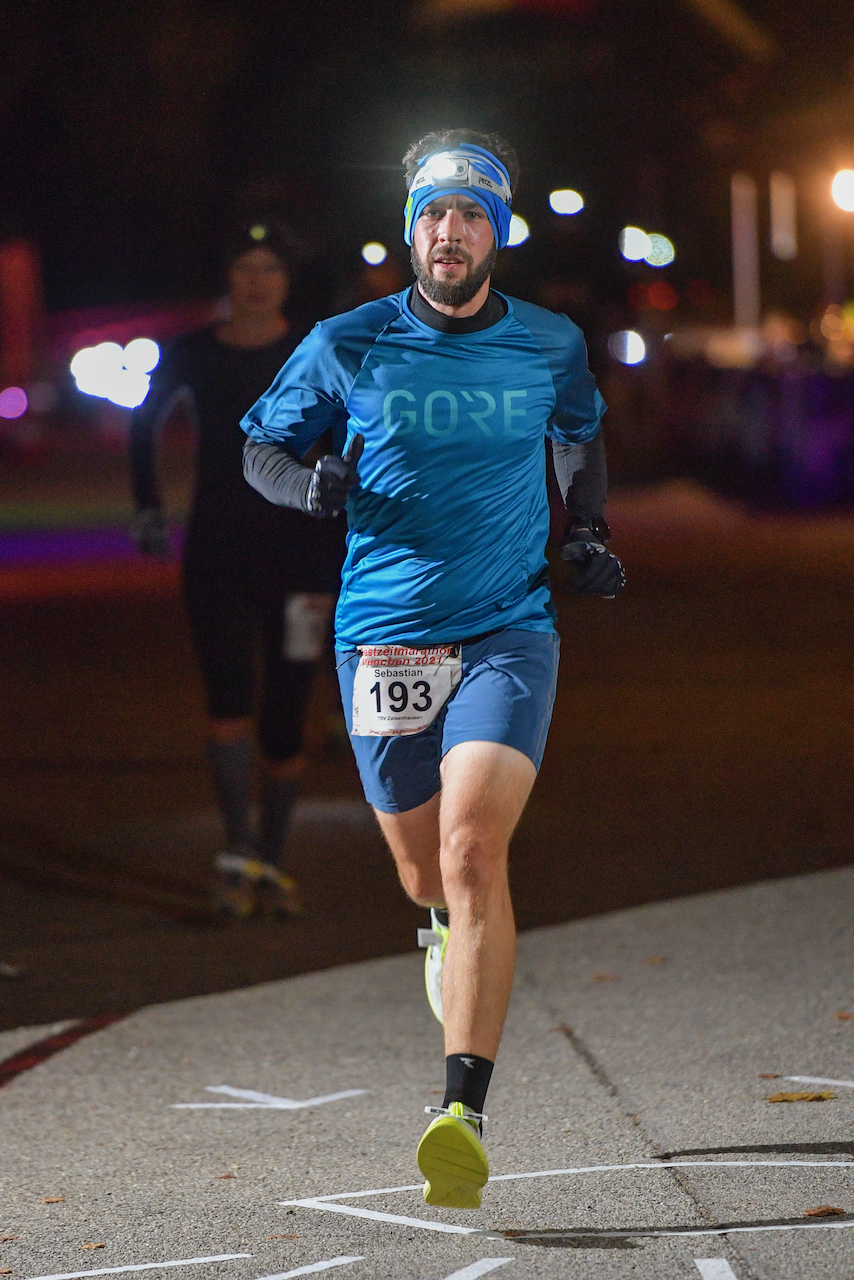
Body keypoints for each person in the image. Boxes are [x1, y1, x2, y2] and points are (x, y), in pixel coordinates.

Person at [241, 131, 624, 1208]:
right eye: (431, 214)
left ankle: (459, 1109)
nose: (447, 231)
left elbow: (577, 434)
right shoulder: (347, 341)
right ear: (410, 227)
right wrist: (305, 485)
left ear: (494, 231)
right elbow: (258, 448)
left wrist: (586, 526)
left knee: (470, 847)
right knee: (424, 876)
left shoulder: (547, 342)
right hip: (385, 638)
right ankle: (448, 934)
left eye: (469, 215)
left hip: (508, 627)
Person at [129, 223, 345, 917]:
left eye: (270, 269)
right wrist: (148, 509)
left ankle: (273, 864)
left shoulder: (319, 352)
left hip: (304, 558)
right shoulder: (192, 352)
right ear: (228, 279)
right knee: (227, 704)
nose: (257, 280)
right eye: (244, 267)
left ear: (286, 282)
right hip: (218, 552)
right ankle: (236, 854)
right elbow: (145, 424)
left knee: (284, 718)